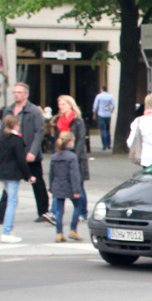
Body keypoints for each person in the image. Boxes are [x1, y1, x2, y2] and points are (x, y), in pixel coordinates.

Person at [0, 83, 51, 225]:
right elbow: (4, 130)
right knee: (10, 182)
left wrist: (33, 151)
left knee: (37, 182)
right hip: (13, 153)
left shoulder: (33, 111)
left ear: (26, 94)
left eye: (19, 92)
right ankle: (0, 213)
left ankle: (44, 212)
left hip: (29, 152)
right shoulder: (9, 110)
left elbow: (39, 132)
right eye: (14, 92)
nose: (16, 94)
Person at [0, 114, 33, 243]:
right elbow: (21, 160)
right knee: (12, 202)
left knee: (11, 200)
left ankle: (8, 230)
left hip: (2, 173)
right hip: (13, 173)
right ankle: (7, 231)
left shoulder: (1, 138)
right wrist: (28, 176)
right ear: (15, 125)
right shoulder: (17, 140)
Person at [55, 95, 90, 230]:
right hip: (63, 157)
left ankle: (83, 212)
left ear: (70, 105)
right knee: (61, 184)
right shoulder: (60, 121)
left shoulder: (77, 122)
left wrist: (75, 156)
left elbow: (81, 140)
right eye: (59, 104)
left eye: (63, 104)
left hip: (76, 158)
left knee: (78, 185)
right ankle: (55, 212)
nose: (60, 106)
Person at [48, 130, 85, 243]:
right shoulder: (72, 157)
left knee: (59, 210)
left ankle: (59, 233)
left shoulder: (54, 156)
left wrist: (51, 187)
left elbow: (51, 174)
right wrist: (76, 190)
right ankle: (73, 230)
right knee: (78, 206)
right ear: (69, 142)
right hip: (69, 185)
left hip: (57, 185)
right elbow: (74, 175)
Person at [92, 86, 114, 151]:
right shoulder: (110, 96)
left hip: (101, 114)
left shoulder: (99, 96)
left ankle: (104, 145)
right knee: (107, 129)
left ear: (101, 89)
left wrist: (94, 114)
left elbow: (95, 106)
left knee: (102, 130)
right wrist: (111, 111)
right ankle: (109, 144)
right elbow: (113, 105)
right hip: (108, 115)